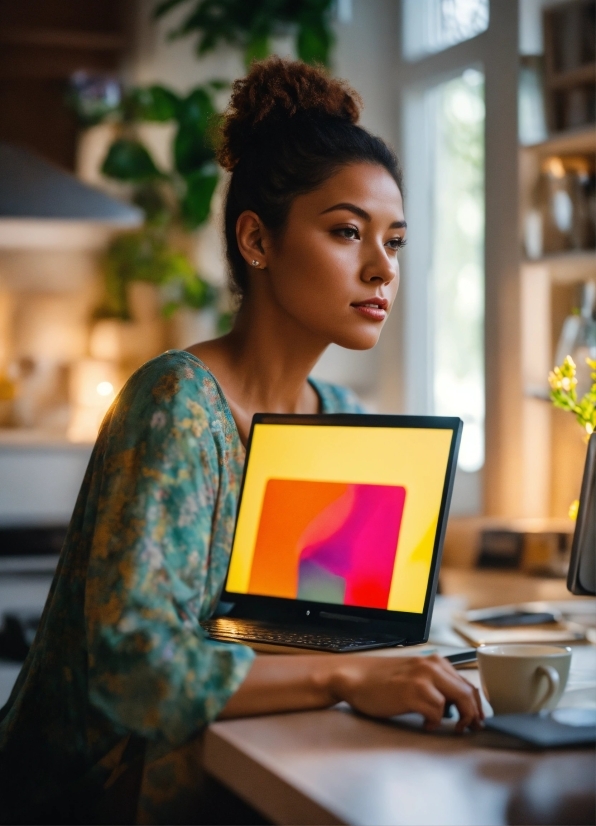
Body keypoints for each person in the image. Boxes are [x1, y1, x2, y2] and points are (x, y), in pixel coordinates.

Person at [0, 58, 483, 824]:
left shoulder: (350, 423)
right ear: (256, 239)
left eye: (394, 241)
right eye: (347, 232)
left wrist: (386, 667)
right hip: (87, 795)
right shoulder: (175, 405)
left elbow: (339, 632)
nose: (380, 267)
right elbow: (134, 671)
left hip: (273, 760)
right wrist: (345, 682)